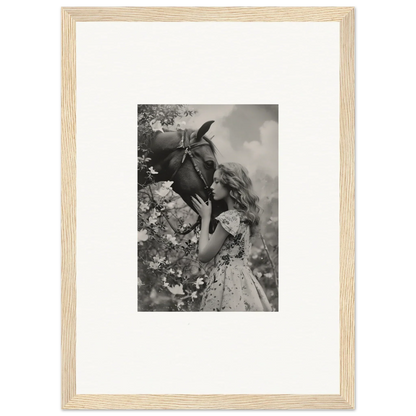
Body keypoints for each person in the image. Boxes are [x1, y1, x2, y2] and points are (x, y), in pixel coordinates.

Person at [191, 162, 273, 311]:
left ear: (231, 185)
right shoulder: (245, 217)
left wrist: (205, 218)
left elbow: (203, 256)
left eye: (217, 182)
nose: (211, 186)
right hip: (243, 281)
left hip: (225, 282)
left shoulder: (228, 219)